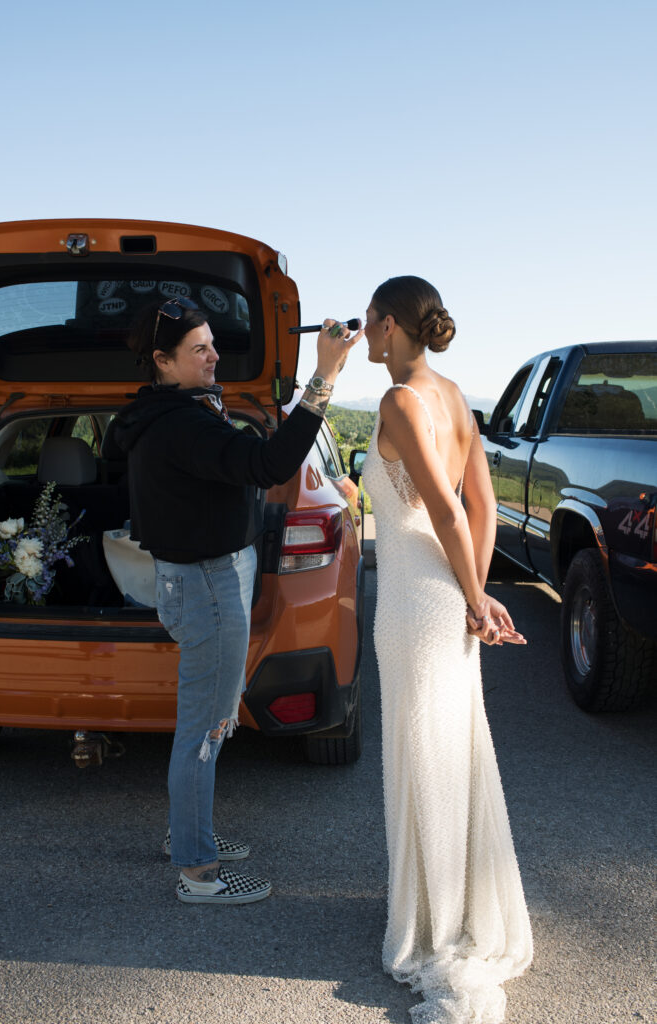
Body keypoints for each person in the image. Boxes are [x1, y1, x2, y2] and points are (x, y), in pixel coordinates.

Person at [105, 296, 361, 905]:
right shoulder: (183, 424)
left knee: (205, 721)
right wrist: (323, 378)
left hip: (196, 581)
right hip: (209, 586)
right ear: (163, 361)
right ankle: (198, 872)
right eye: (200, 349)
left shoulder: (167, 411)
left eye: (213, 342)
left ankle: (187, 834)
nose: (215, 355)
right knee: (207, 726)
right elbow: (269, 464)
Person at [361, 277, 533, 1023]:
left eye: (369, 321)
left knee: (425, 756)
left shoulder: (400, 402)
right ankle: (453, 906)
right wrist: (476, 592)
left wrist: (473, 597)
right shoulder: (457, 395)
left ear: (391, 323)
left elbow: (444, 507)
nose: (363, 332)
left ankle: (434, 926)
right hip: (445, 599)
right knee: (451, 751)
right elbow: (481, 508)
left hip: (415, 602)